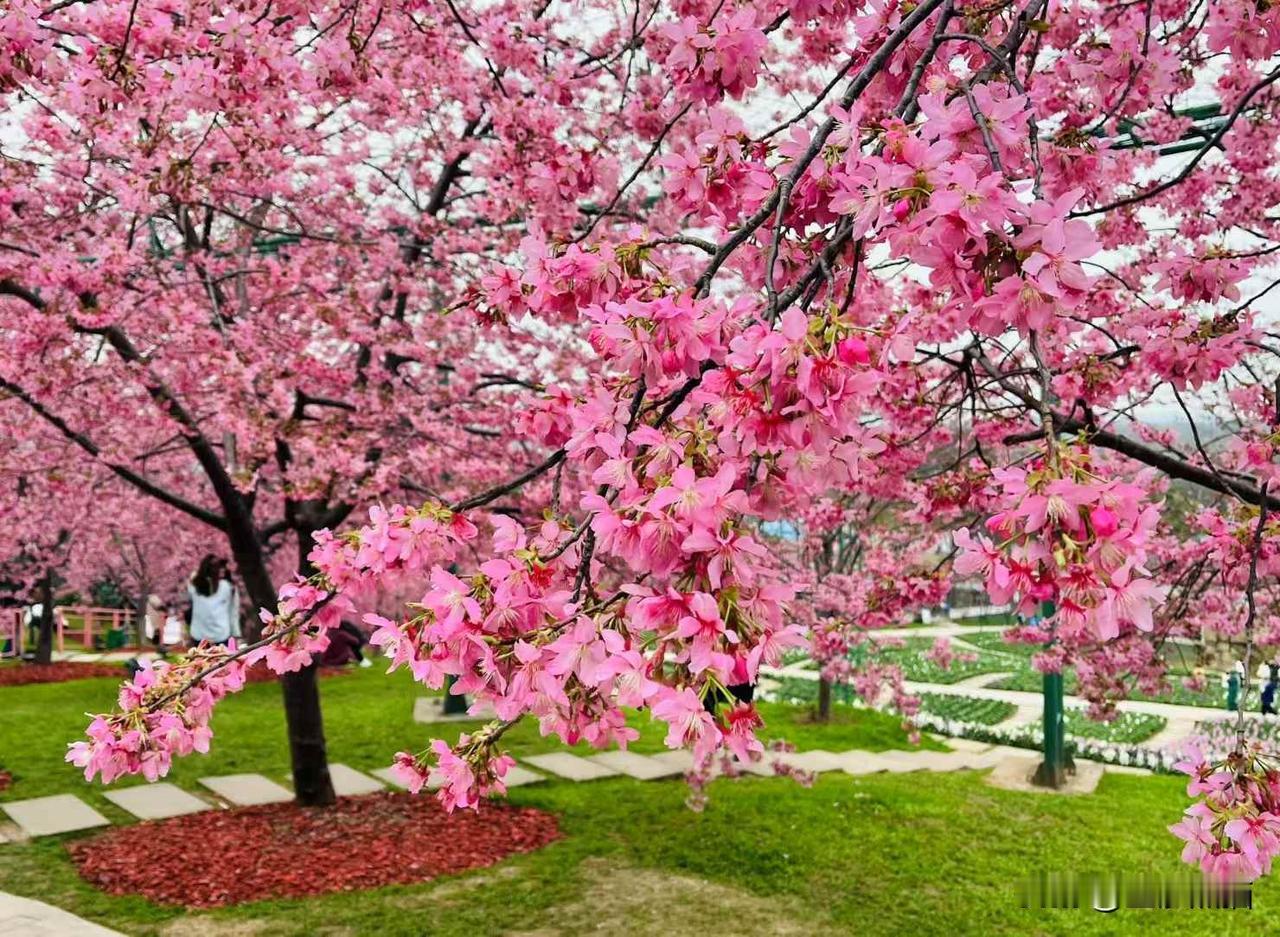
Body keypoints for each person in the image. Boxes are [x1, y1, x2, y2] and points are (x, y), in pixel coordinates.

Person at [187, 555, 239, 646]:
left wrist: (235, 633)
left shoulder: (227, 587)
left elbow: (233, 611)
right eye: (212, 566)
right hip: (199, 636)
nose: (215, 570)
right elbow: (193, 577)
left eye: (217, 566)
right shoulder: (195, 586)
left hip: (222, 635)